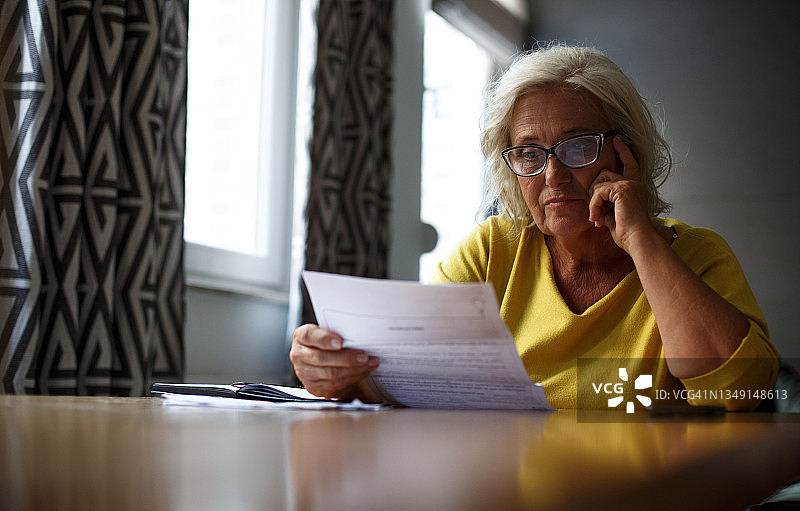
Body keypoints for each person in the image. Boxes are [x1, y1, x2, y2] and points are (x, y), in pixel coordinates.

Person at [290, 44, 779, 410]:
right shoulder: (493, 249)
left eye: (577, 145)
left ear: (624, 151)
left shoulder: (694, 253)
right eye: (529, 152)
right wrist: (339, 373)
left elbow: (741, 388)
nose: (553, 175)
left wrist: (640, 241)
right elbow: (415, 375)